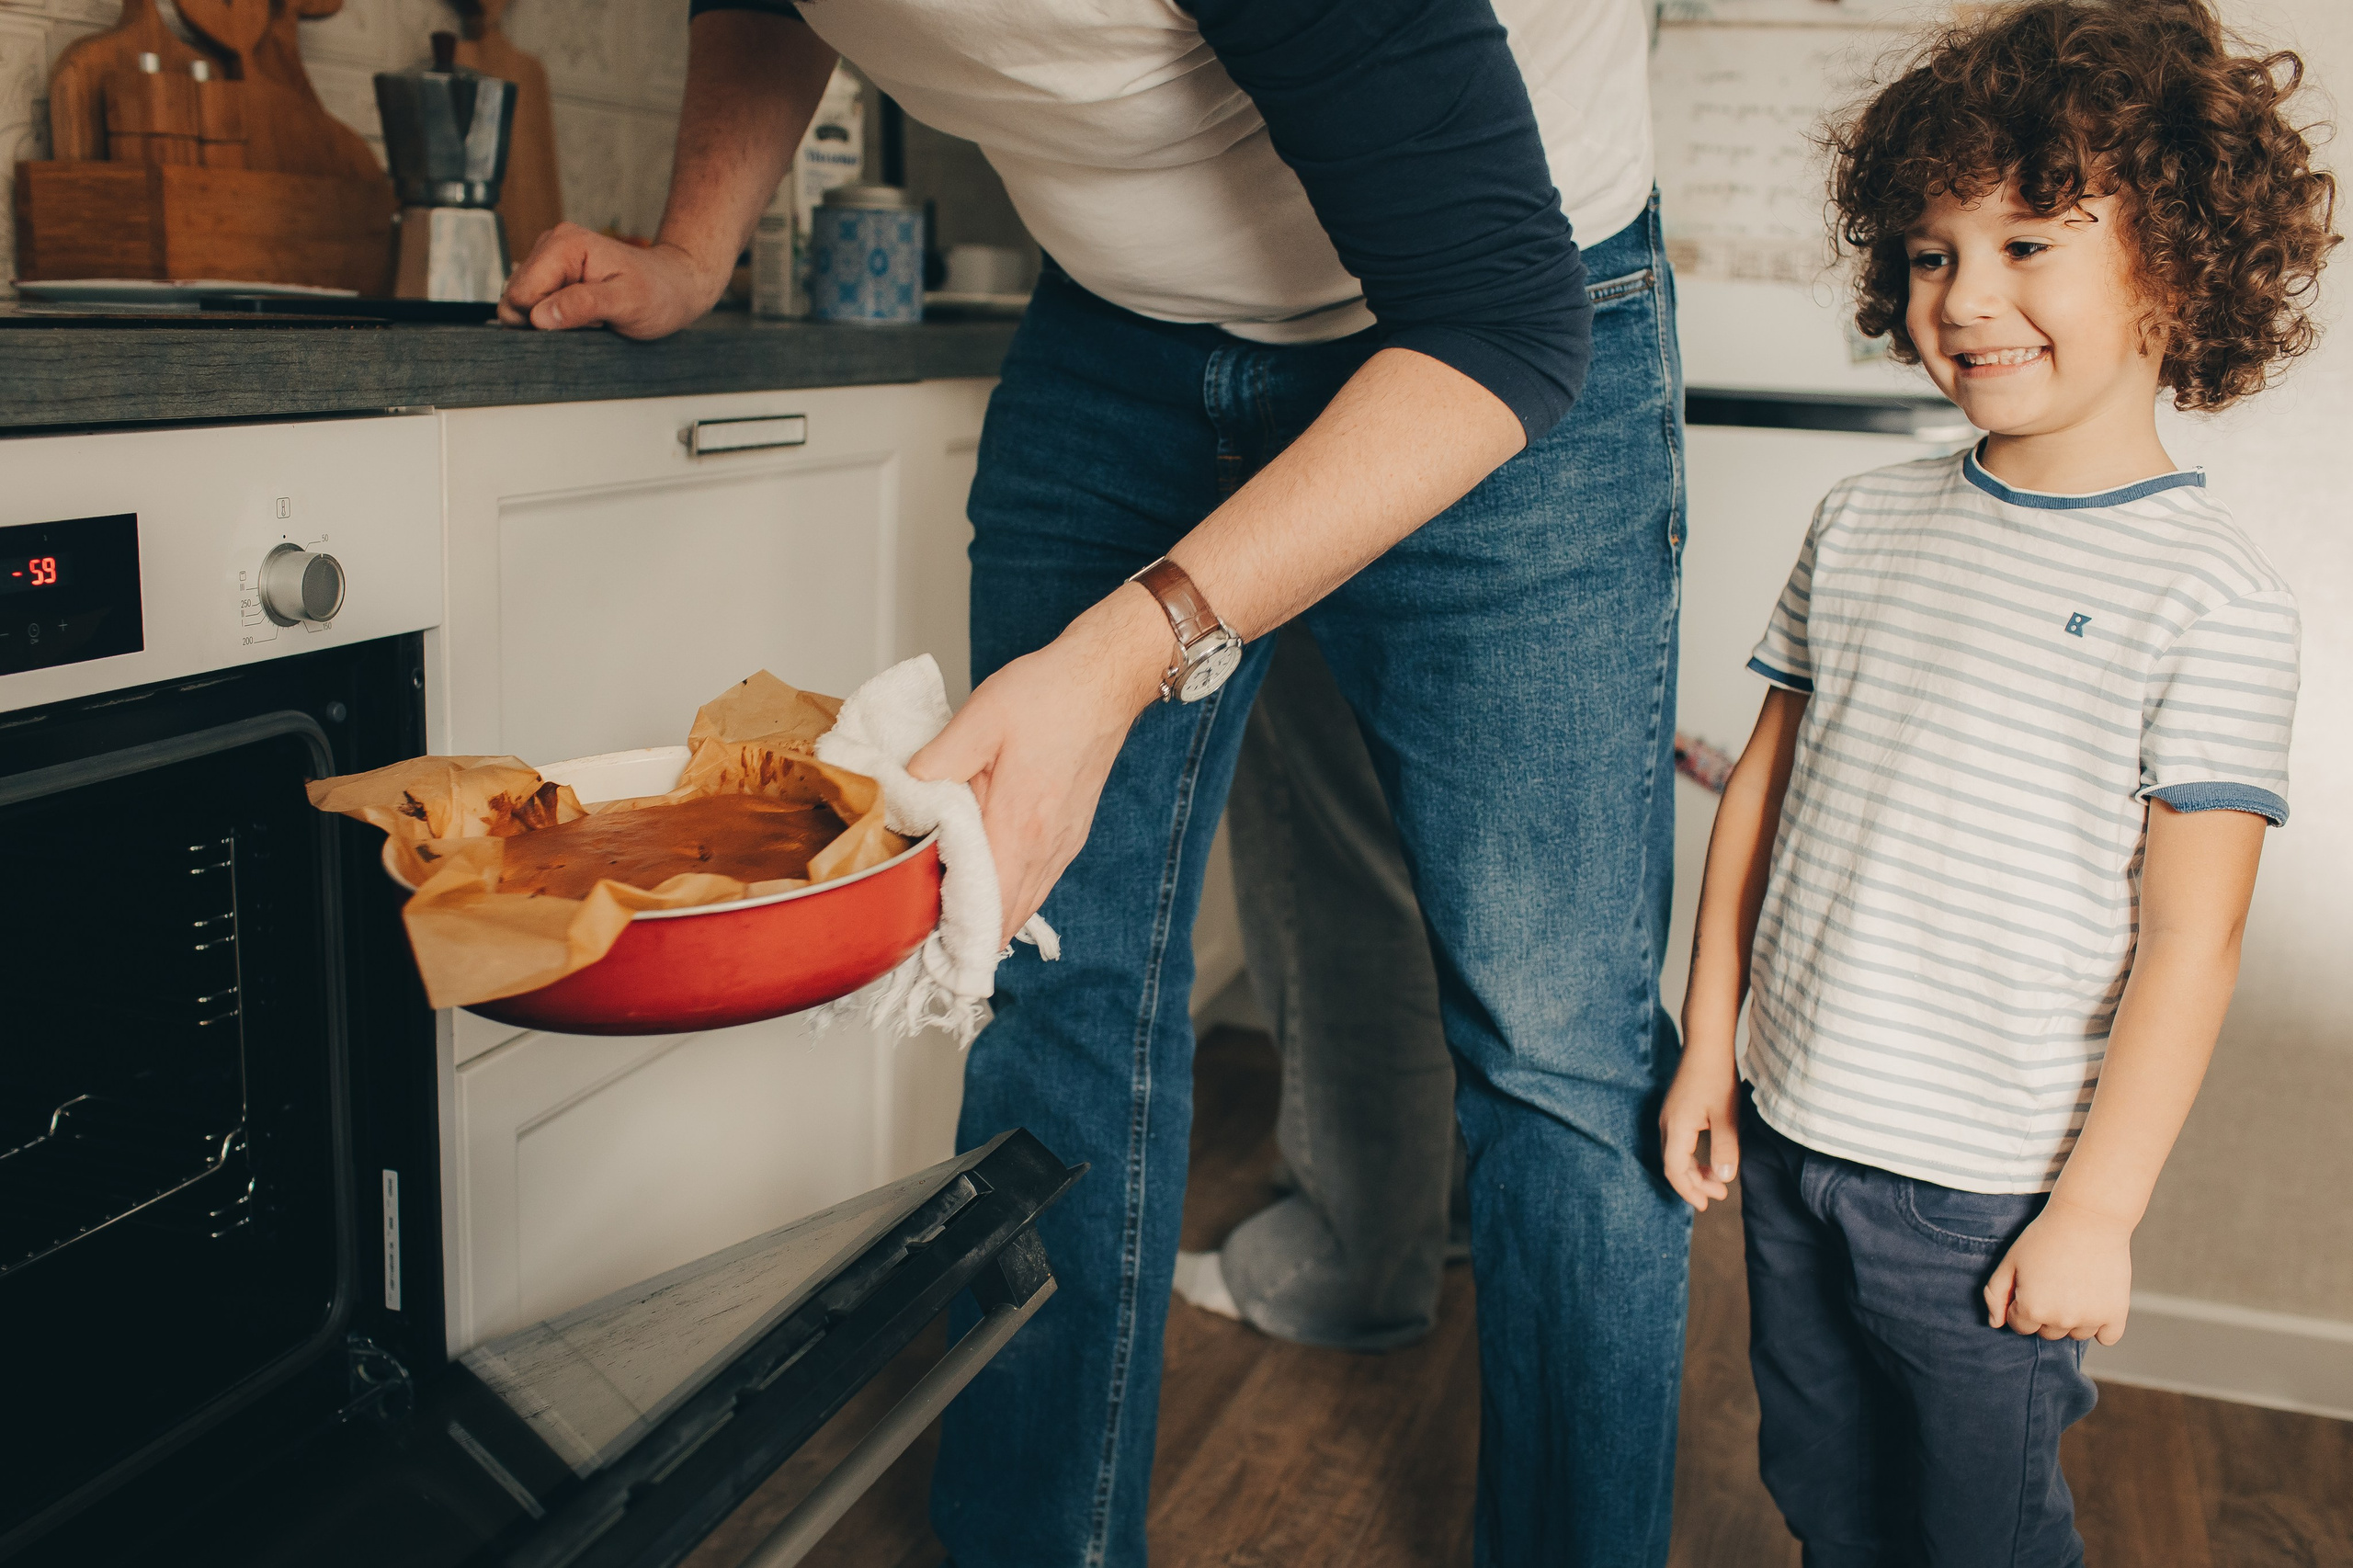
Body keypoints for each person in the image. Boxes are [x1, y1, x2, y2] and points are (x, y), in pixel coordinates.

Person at [501, 1, 1686, 1562]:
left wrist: (1131, 649)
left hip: (1497, 322)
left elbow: (1498, 322)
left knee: (1555, 1048)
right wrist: (693, 247)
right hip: (1127, 334)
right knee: (1043, 969)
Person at [1657, 3, 2336, 1562]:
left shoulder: (2211, 597)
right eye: (1930, 253)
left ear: (2180, 259)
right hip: (1795, 1126)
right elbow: (1758, 801)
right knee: (1824, 1490)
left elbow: (2192, 940)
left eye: (2029, 243)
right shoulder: (1862, 520)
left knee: (1980, 1528)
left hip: (1986, 1194)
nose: (1966, 298)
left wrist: (2095, 1209)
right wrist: (1710, 1045)